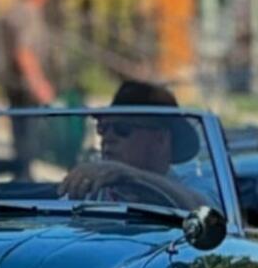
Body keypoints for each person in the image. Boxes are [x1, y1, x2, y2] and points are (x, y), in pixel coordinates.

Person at [62, 80, 205, 209]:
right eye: (103, 128)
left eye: (122, 129)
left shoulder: (192, 183)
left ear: (160, 138)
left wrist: (130, 176)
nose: (108, 137)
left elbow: (209, 212)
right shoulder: (91, 189)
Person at [1, 0, 56, 172]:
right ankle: (24, 179)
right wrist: (39, 84)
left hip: (13, 83)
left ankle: (21, 175)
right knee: (29, 139)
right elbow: (24, 53)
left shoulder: (13, 10)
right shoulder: (29, 14)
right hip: (26, 85)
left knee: (19, 137)